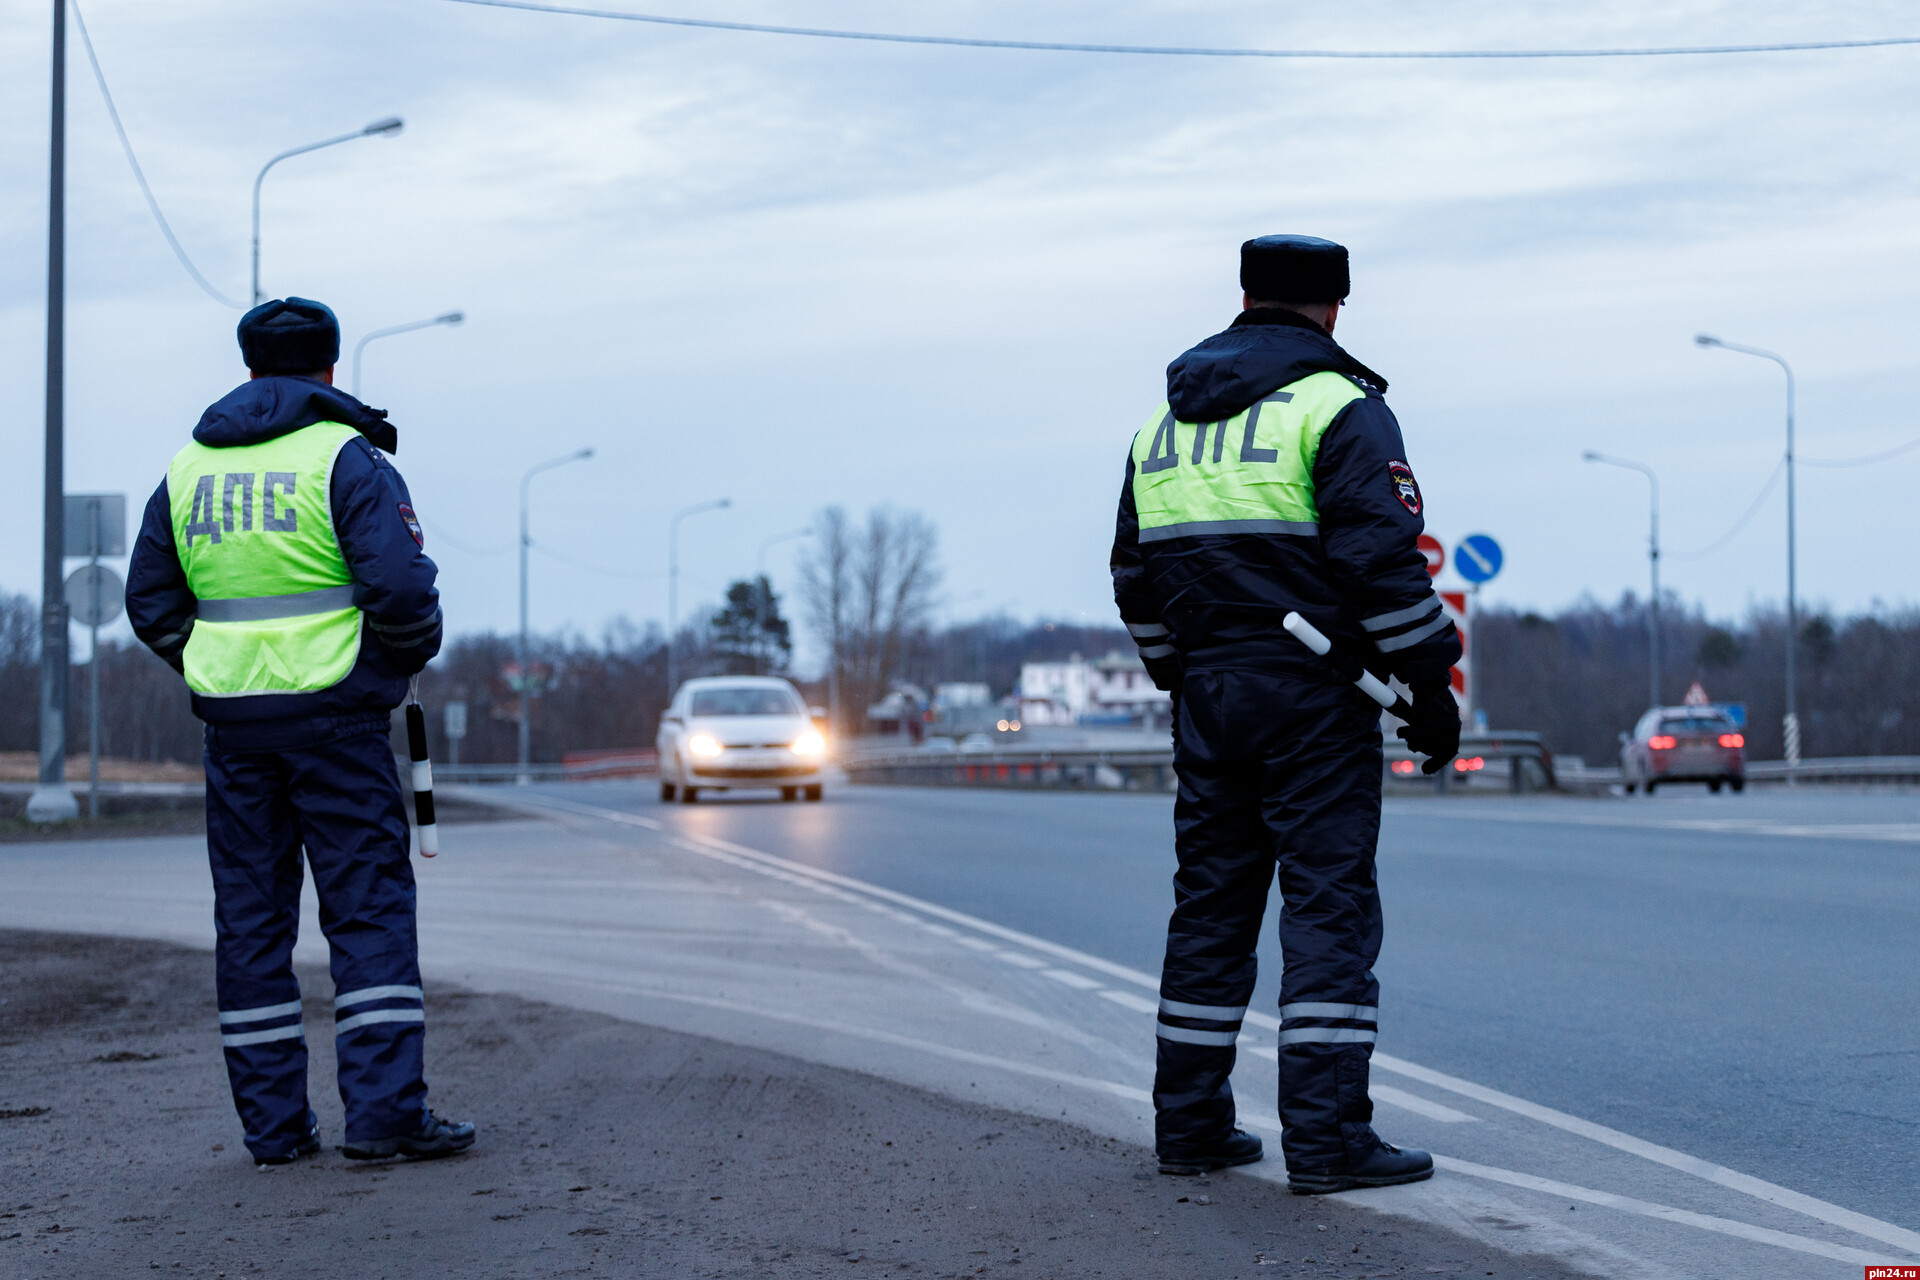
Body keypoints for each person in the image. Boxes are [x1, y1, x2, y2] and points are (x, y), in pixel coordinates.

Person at [1109, 236, 1461, 1193]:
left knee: (1211, 910)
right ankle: (1328, 1139)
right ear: (1334, 309)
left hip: (1211, 700)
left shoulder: (1162, 426)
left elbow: (1133, 580)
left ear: (1246, 296)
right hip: (1315, 698)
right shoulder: (1340, 409)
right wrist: (1431, 685)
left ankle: (1189, 1125)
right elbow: (1387, 570)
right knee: (1326, 909)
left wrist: (1186, 677)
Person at [127, 297, 475, 1166]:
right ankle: (385, 1117)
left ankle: (275, 1132)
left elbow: (149, 604)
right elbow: (400, 591)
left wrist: (217, 668)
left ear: (248, 369)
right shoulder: (343, 458)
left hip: (235, 733)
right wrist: (379, 669)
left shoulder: (187, 468)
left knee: (251, 923)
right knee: (366, 912)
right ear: (330, 368)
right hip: (338, 722)